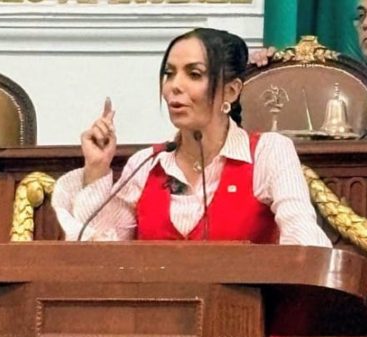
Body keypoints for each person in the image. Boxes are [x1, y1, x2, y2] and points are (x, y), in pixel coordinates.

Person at [51, 27, 331, 248]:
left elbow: (304, 243)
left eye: (194, 74)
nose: (175, 86)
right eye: (169, 74)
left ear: (231, 91)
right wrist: (97, 167)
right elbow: (99, 257)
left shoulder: (268, 152)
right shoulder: (146, 164)